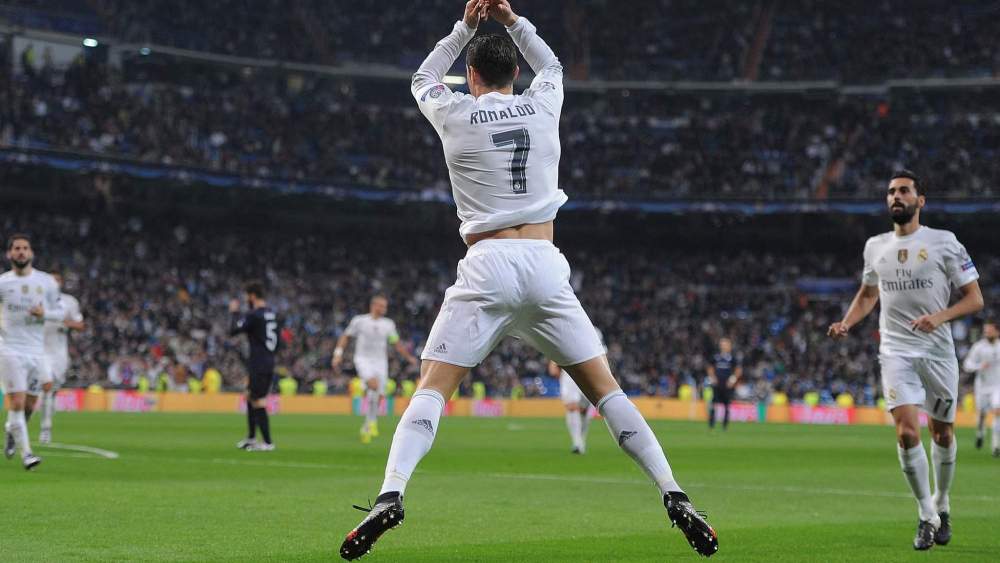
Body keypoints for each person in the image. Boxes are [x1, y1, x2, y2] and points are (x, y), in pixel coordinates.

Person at [340, 2, 717, 559]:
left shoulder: (454, 112)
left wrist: (464, 28)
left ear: (471, 76)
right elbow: (554, 66)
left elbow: (421, 77)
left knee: (432, 390)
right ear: (516, 73)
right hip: (543, 262)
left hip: (487, 262)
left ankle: (390, 494)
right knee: (606, 391)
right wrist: (513, 21)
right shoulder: (543, 104)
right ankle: (674, 493)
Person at [828, 170, 984, 550]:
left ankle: (942, 503)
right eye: (891, 192)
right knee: (906, 432)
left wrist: (940, 317)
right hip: (896, 351)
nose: (895, 196)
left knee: (942, 433)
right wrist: (847, 322)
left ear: (920, 200)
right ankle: (926, 514)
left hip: (937, 352)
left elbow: (975, 299)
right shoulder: (875, 247)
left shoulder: (944, 242)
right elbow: (869, 294)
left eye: (904, 191)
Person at [1, 234, 64, 470]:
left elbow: (61, 313)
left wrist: (44, 313)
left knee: (29, 405)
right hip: (9, 348)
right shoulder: (3, 283)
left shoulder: (46, 282)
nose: (21, 252)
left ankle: (12, 430)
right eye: (16, 248)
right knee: (17, 401)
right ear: (9, 253)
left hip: (37, 351)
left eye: (25, 248)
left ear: (31, 253)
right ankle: (27, 454)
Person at [332, 295, 417, 444]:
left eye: (385, 306)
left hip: (381, 362)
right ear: (374, 305)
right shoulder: (359, 321)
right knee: (373, 385)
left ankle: (368, 424)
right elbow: (346, 336)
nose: (384, 309)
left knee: (379, 394)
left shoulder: (388, 324)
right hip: (363, 359)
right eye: (382, 306)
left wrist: (408, 357)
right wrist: (337, 354)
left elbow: (395, 343)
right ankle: (371, 421)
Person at [230, 281, 281, 452]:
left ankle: (267, 442)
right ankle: (251, 438)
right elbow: (278, 341)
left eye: (247, 296)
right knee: (250, 396)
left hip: (259, 362)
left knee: (258, 400)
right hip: (267, 360)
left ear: (252, 296)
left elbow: (233, 330)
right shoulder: (271, 314)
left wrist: (234, 312)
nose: (246, 299)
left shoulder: (255, 315)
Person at [39, 272, 85, 444]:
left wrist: (67, 323)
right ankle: (46, 428)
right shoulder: (37, 299)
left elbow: (81, 325)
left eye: (57, 280)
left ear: (61, 283)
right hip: (41, 349)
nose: (54, 283)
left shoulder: (70, 302)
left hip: (59, 351)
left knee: (55, 385)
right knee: (47, 385)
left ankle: (51, 399)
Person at [962, 321, 1000, 456]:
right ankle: (980, 433)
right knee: (982, 415)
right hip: (982, 387)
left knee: (997, 411)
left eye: (989, 331)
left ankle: (996, 445)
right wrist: (979, 366)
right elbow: (967, 364)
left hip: (997, 386)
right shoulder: (979, 347)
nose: (987, 333)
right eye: (985, 331)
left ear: (997, 332)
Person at [706, 338, 741, 430]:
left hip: (727, 385)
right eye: (722, 344)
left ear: (729, 346)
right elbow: (710, 367)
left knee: (727, 405)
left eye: (725, 344)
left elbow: (738, 370)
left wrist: (732, 380)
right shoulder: (716, 357)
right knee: (714, 403)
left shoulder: (732, 358)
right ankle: (711, 424)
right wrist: (713, 378)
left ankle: (725, 425)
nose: (723, 346)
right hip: (717, 384)